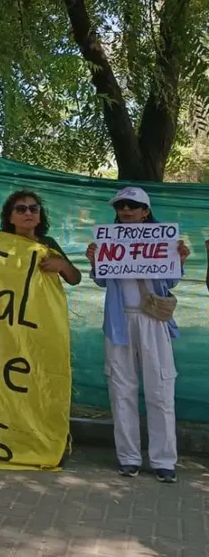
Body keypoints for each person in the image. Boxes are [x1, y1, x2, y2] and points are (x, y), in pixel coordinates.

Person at [85, 187, 189, 483]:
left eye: (133, 206)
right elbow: (103, 280)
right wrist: (94, 260)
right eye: (121, 206)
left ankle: (164, 460)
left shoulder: (164, 241)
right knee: (121, 389)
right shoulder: (108, 241)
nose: (126, 211)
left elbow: (170, 280)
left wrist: (179, 259)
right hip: (119, 322)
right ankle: (128, 457)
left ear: (146, 211)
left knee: (161, 389)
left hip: (154, 322)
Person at [0, 190, 81, 286]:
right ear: (10, 218)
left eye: (34, 209)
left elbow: (75, 279)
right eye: (21, 209)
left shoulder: (48, 243)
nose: (28, 213)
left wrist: (63, 265)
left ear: (39, 217)